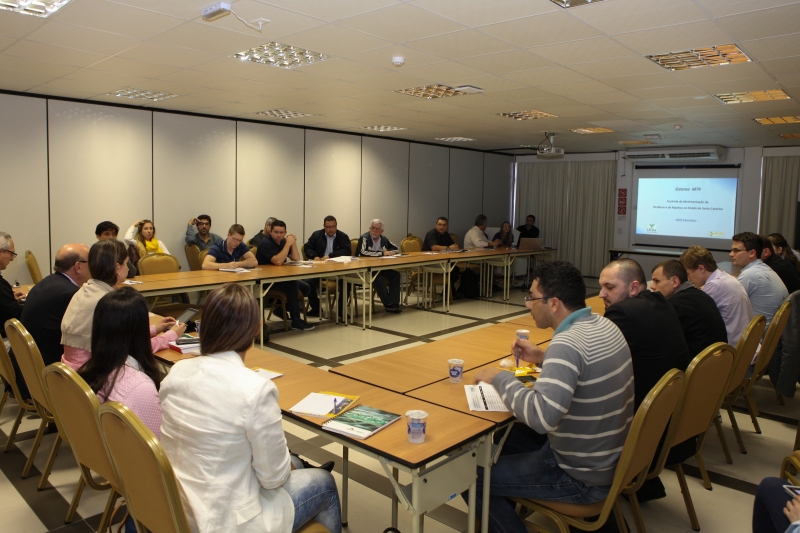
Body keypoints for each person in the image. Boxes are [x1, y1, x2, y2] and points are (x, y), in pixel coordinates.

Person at [159, 283, 341, 533]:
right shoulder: (255, 390)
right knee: (325, 482)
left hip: (178, 507)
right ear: (255, 330)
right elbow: (273, 478)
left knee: (293, 465)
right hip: (227, 520)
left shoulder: (176, 372)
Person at [471, 261, 633, 533]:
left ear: (554, 303)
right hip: (610, 458)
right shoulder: (605, 326)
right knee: (501, 440)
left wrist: (499, 379)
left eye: (532, 298)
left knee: (471, 477)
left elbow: (541, 418)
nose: (527, 305)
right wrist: (545, 357)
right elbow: (586, 369)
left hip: (580, 476)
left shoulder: (567, 342)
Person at [599, 258, 693, 503]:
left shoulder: (623, 313)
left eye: (609, 287)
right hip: (667, 419)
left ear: (633, 288)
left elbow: (592, 365)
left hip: (638, 427)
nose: (601, 294)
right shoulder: (659, 302)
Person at [61, 240, 185, 371]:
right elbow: (133, 350)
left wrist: (155, 329)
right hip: (94, 376)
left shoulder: (85, 290)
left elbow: (118, 335)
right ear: (117, 268)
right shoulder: (108, 302)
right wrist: (171, 336)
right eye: (126, 263)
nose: (128, 268)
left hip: (72, 376)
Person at [77, 287, 163, 438]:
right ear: (141, 331)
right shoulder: (139, 388)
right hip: (136, 459)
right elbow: (160, 447)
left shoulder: (89, 371)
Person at [21, 244, 91, 366]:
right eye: (90, 262)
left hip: (27, 361)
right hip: (50, 367)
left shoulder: (46, 282)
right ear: (78, 267)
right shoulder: (72, 294)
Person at [650, 260, 728, 357]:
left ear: (674, 282)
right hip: (719, 362)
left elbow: (660, 341)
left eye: (657, 281)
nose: (652, 287)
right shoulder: (701, 295)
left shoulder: (675, 304)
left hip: (697, 367)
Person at [680, 245, 754, 346]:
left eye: (689, 273)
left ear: (701, 268)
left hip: (730, 349)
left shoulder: (714, 286)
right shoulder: (725, 278)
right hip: (745, 345)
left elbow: (694, 315)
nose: (688, 279)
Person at [255, 220, 315, 331]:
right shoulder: (265, 243)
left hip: (280, 278)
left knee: (306, 287)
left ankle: (281, 309)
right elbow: (277, 261)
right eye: (276, 232)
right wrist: (288, 244)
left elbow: (296, 258)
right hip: (266, 281)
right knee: (292, 286)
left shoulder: (283, 242)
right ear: (271, 231)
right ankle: (296, 321)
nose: (279, 235)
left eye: (281, 233)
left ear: (285, 232)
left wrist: (292, 243)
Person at [731, 232, 788, 328]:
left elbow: (730, 306)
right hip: (768, 335)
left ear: (752, 253)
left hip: (755, 337)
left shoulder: (750, 275)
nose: (731, 254)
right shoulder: (764, 269)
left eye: (736, 250)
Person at [303, 216, 351, 316]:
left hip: (338, 269)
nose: (331, 229)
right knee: (307, 282)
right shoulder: (316, 235)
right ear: (324, 226)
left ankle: (341, 310)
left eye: (333, 226)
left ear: (336, 226)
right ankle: (316, 308)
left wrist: (330, 256)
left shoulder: (343, 236)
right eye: (328, 227)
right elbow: (307, 247)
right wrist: (314, 256)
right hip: (319, 268)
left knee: (348, 282)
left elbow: (347, 251)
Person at [0, 231, 28, 401]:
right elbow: (15, 318)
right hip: (6, 342)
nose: (12, 259)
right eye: (11, 253)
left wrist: (10, 299)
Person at [356, 219, 401, 313]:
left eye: (377, 229)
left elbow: (396, 249)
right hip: (367, 269)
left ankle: (394, 302)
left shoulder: (384, 239)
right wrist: (382, 253)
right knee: (378, 278)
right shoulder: (364, 238)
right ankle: (388, 304)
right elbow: (362, 252)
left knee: (396, 275)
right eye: (373, 228)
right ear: (369, 228)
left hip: (381, 267)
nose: (374, 231)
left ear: (381, 231)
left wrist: (389, 252)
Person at [421, 217, 462, 298]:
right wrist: (449, 248)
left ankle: (448, 292)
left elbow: (453, 245)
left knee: (455, 269)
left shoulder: (446, 234)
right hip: (429, 262)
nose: (441, 227)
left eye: (444, 225)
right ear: (436, 225)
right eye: (439, 224)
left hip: (442, 261)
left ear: (447, 226)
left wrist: (455, 247)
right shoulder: (431, 234)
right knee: (452, 269)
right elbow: (434, 248)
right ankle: (450, 292)